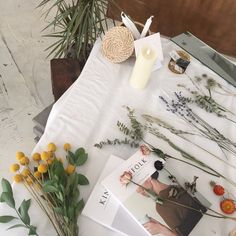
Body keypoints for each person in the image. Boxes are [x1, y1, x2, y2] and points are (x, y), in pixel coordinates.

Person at [136, 176, 206, 236]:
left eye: (137, 183)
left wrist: (160, 229)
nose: (137, 190)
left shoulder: (161, 206)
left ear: (148, 177)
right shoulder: (180, 185)